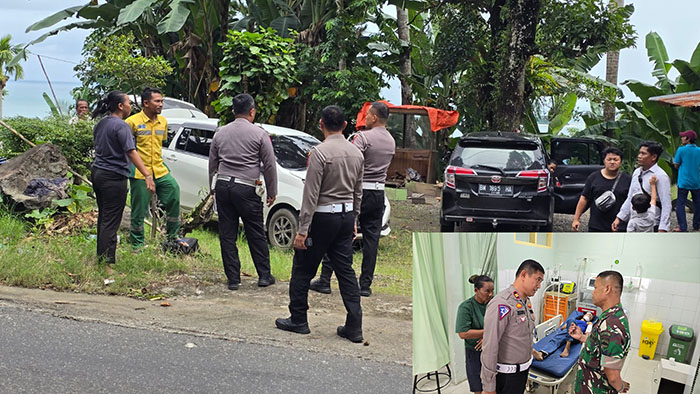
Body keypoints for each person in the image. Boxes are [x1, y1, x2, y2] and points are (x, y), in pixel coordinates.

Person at [275, 105, 364, 343]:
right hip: (345, 217)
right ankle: (355, 326)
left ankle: (298, 319)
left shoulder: (320, 153)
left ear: (321, 124)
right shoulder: (357, 154)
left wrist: (303, 230)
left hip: (323, 218)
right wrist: (354, 219)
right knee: (346, 271)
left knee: (303, 268)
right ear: (345, 125)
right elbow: (358, 192)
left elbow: (311, 194)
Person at [309, 101, 396, 297]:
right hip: (378, 193)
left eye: (367, 115)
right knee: (371, 239)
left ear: (374, 117)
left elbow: (348, 158)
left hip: (358, 191)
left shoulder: (363, 138)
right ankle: (365, 284)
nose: (365, 119)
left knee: (342, 234)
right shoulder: (391, 141)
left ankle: (325, 279)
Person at [208, 93, 277, 290]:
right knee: (255, 231)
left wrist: (213, 188)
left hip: (223, 185)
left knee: (227, 233)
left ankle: (233, 279)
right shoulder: (259, 134)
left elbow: (212, 163)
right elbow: (269, 165)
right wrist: (272, 190)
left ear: (233, 111)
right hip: (246, 187)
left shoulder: (220, 133)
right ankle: (264, 275)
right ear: (252, 111)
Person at [90, 91, 154, 265]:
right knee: (111, 221)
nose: (130, 106)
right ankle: (107, 263)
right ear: (120, 106)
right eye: (128, 103)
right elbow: (131, 151)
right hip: (113, 177)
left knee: (104, 217)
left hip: (98, 172)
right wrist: (147, 174)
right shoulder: (122, 126)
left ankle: (101, 258)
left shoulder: (101, 124)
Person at [125, 87, 182, 250]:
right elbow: (127, 149)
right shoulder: (132, 122)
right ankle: (137, 244)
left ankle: (172, 238)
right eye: (157, 101)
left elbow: (160, 144)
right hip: (139, 172)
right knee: (139, 209)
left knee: (174, 193)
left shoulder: (163, 122)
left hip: (160, 169)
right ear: (146, 103)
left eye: (162, 101)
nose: (161, 104)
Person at [481, 260, 544, 394]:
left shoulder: (525, 301)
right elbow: (490, 347)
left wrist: (533, 352)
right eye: (537, 280)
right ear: (524, 274)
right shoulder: (502, 304)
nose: (539, 286)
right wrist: (488, 386)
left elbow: (522, 336)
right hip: (506, 377)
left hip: (522, 372)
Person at [570, 271, 631, 394]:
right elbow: (600, 347)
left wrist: (620, 387)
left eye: (596, 287)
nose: (593, 292)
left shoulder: (612, 324)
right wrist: (582, 337)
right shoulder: (608, 317)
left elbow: (613, 376)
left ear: (607, 289)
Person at [612, 141, 671, 232]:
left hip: (652, 224)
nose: (639, 156)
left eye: (643, 153)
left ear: (654, 157)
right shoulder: (637, 172)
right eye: (639, 153)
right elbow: (630, 197)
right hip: (634, 222)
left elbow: (666, 204)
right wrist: (619, 218)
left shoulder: (660, 176)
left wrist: (662, 228)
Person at [572, 147, 631, 232]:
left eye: (615, 159)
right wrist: (576, 219)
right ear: (604, 161)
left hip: (619, 226)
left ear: (620, 161)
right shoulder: (594, 177)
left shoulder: (627, 180)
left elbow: (630, 202)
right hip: (596, 225)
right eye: (609, 159)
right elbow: (584, 198)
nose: (612, 162)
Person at [455, 274, 494, 394]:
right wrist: (488, 334)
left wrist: (488, 338)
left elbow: (502, 324)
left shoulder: (493, 303)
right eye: (487, 291)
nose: (491, 294)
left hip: (492, 350)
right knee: (478, 387)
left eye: (492, 290)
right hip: (475, 352)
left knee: (492, 387)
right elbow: (463, 333)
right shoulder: (466, 307)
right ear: (476, 290)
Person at [673, 130, 700, 232]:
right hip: (696, 182)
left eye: (683, 137)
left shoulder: (681, 150)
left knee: (680, 204)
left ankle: (683, 227)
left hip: (683, 181)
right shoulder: (699, 150)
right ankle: (696, 225)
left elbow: (676, 164)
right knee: (698, 204)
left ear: (688, 139)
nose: (681, 138)